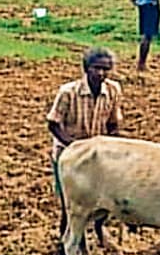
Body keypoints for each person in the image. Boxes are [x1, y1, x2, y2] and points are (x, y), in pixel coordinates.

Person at [46, 46, 122, 192]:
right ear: (86, 69)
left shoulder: (113, 90)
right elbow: (53, 124)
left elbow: (113, 123)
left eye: (105, 69)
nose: (101, 73)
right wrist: (75, 146)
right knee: (68, 198)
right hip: (68, 152)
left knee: (96, 195)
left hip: (97, 154)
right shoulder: (68, 92)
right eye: (96, 68)